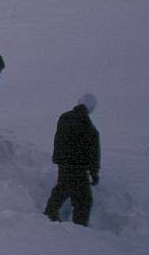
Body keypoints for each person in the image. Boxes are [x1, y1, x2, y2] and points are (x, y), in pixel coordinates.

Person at [44, 94, 101, 227]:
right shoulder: (89, 127)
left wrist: (58, 158)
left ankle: (49, 214)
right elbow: (93, 153)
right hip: (78, 167)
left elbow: (58, 139)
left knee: (62, 189)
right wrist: (94, 173)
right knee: (83, 200)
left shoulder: (64, 117)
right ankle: (79, 228)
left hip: (63, 163)